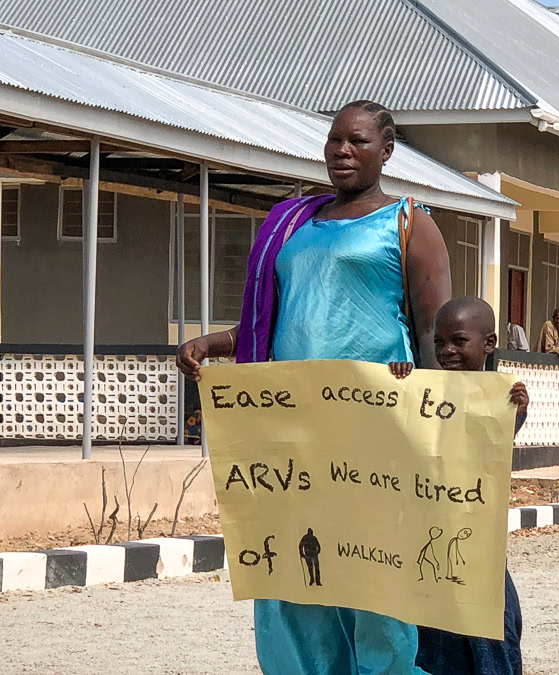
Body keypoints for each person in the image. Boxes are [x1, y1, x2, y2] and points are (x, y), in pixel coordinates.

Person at [177, 100, 451, 675]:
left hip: (376, 426)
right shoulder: (292, 223)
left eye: (357, 141)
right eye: (334, 141)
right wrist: (211, 345)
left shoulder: (409, 222)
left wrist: (440, 422)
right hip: (294, 426)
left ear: (387, 150)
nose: (342, 151)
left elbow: (433, 330)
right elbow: (271, 320)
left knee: (375, 564)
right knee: (296, 565)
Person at [390, 296, 528, 675]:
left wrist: (516, 413)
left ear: (489, 342)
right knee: (435, 644)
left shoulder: (497, 397)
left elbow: (493, 450)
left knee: (490, 637)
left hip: (477, 547)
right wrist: (398, 384)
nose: (447, 350)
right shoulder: (420, 391)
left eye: (459, 340)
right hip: (427, 544)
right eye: (439, 342)